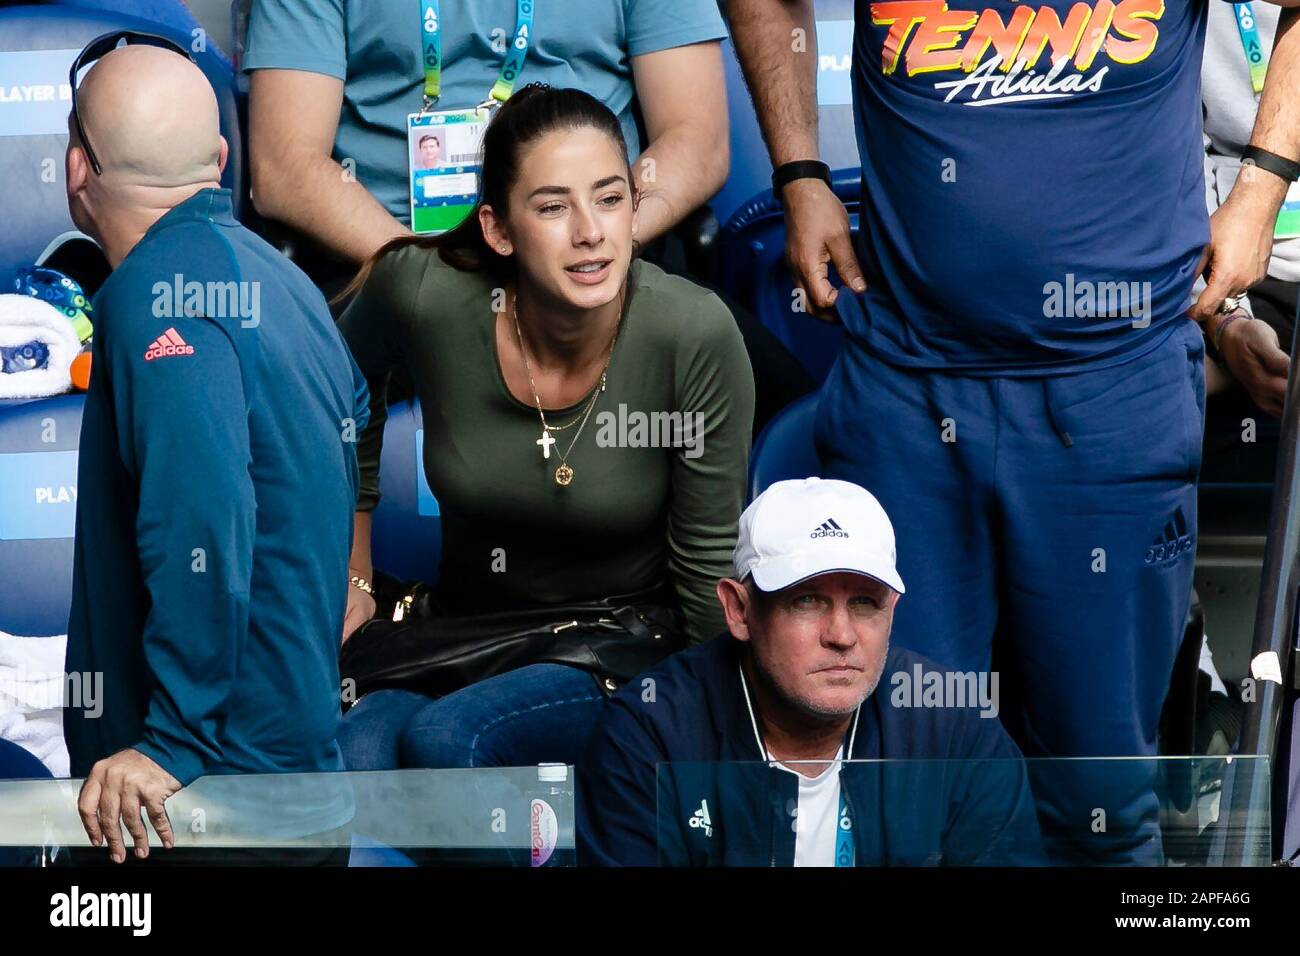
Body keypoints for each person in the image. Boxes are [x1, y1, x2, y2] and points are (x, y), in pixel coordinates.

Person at [728, 0, 1300, 861]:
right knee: (905, 794)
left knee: (1098, 802)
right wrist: (800, 170)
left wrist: (1261, 184)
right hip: (909, 389)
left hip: (1113, 389)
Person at [335, 84, 754, 772]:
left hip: (620, 638)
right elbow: (338, 388)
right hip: (465, 629)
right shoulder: (424, 292)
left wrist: (714, 744)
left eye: (611, 198)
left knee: (447, 742)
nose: (590, 231)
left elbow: (708, 562)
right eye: (554, 207)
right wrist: (354, 572)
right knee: (358, 754)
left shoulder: (692, 331)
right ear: (498, 229)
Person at [62, 36, 366, 864]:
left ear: (76, 169)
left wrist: (173, 740)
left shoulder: (156, 298)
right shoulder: (288, 284)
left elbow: (203, 515)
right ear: (222, 160)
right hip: (288, 795)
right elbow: (354, 416)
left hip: (205, 817)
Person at [577, 477, 1044, 867]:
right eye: (807, 600)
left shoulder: (953, 724)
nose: (841, 635)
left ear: (893, 611)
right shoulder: (648, 734)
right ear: (739, 611)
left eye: (864, 603)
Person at [242, 0, 730, 273]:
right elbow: (286, 164)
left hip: (598, 256)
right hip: (394, 261)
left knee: (772, 402)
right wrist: (425, 275)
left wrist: (594, 247)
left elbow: (697, 139)